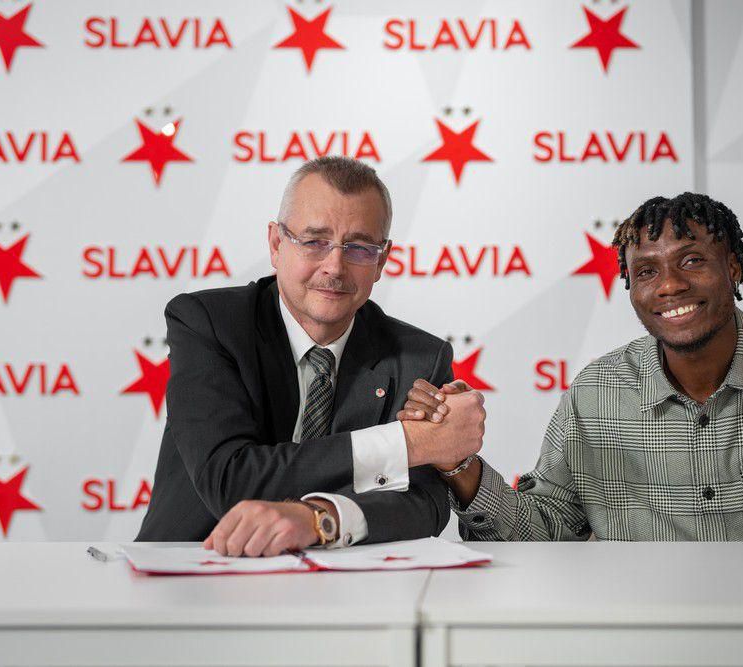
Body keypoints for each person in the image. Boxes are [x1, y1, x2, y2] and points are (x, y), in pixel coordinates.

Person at [400, 193, 743, 541]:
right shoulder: (596, 394)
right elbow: (545, 533)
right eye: (647, 271)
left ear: (733, 267)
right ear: (631, 288)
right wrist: (459, 464)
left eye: (692, 260)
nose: (669, 286)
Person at [136, 156, 485, 555]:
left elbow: (426, 505)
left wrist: (321, 518)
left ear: (381, 261)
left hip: (347, 591)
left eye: (358, 247)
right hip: (192, 572)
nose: (334, 266)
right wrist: (404, 443)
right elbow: (230, 480)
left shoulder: (418, 356)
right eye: (315, 241)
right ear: (276, 244)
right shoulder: (209, 324)